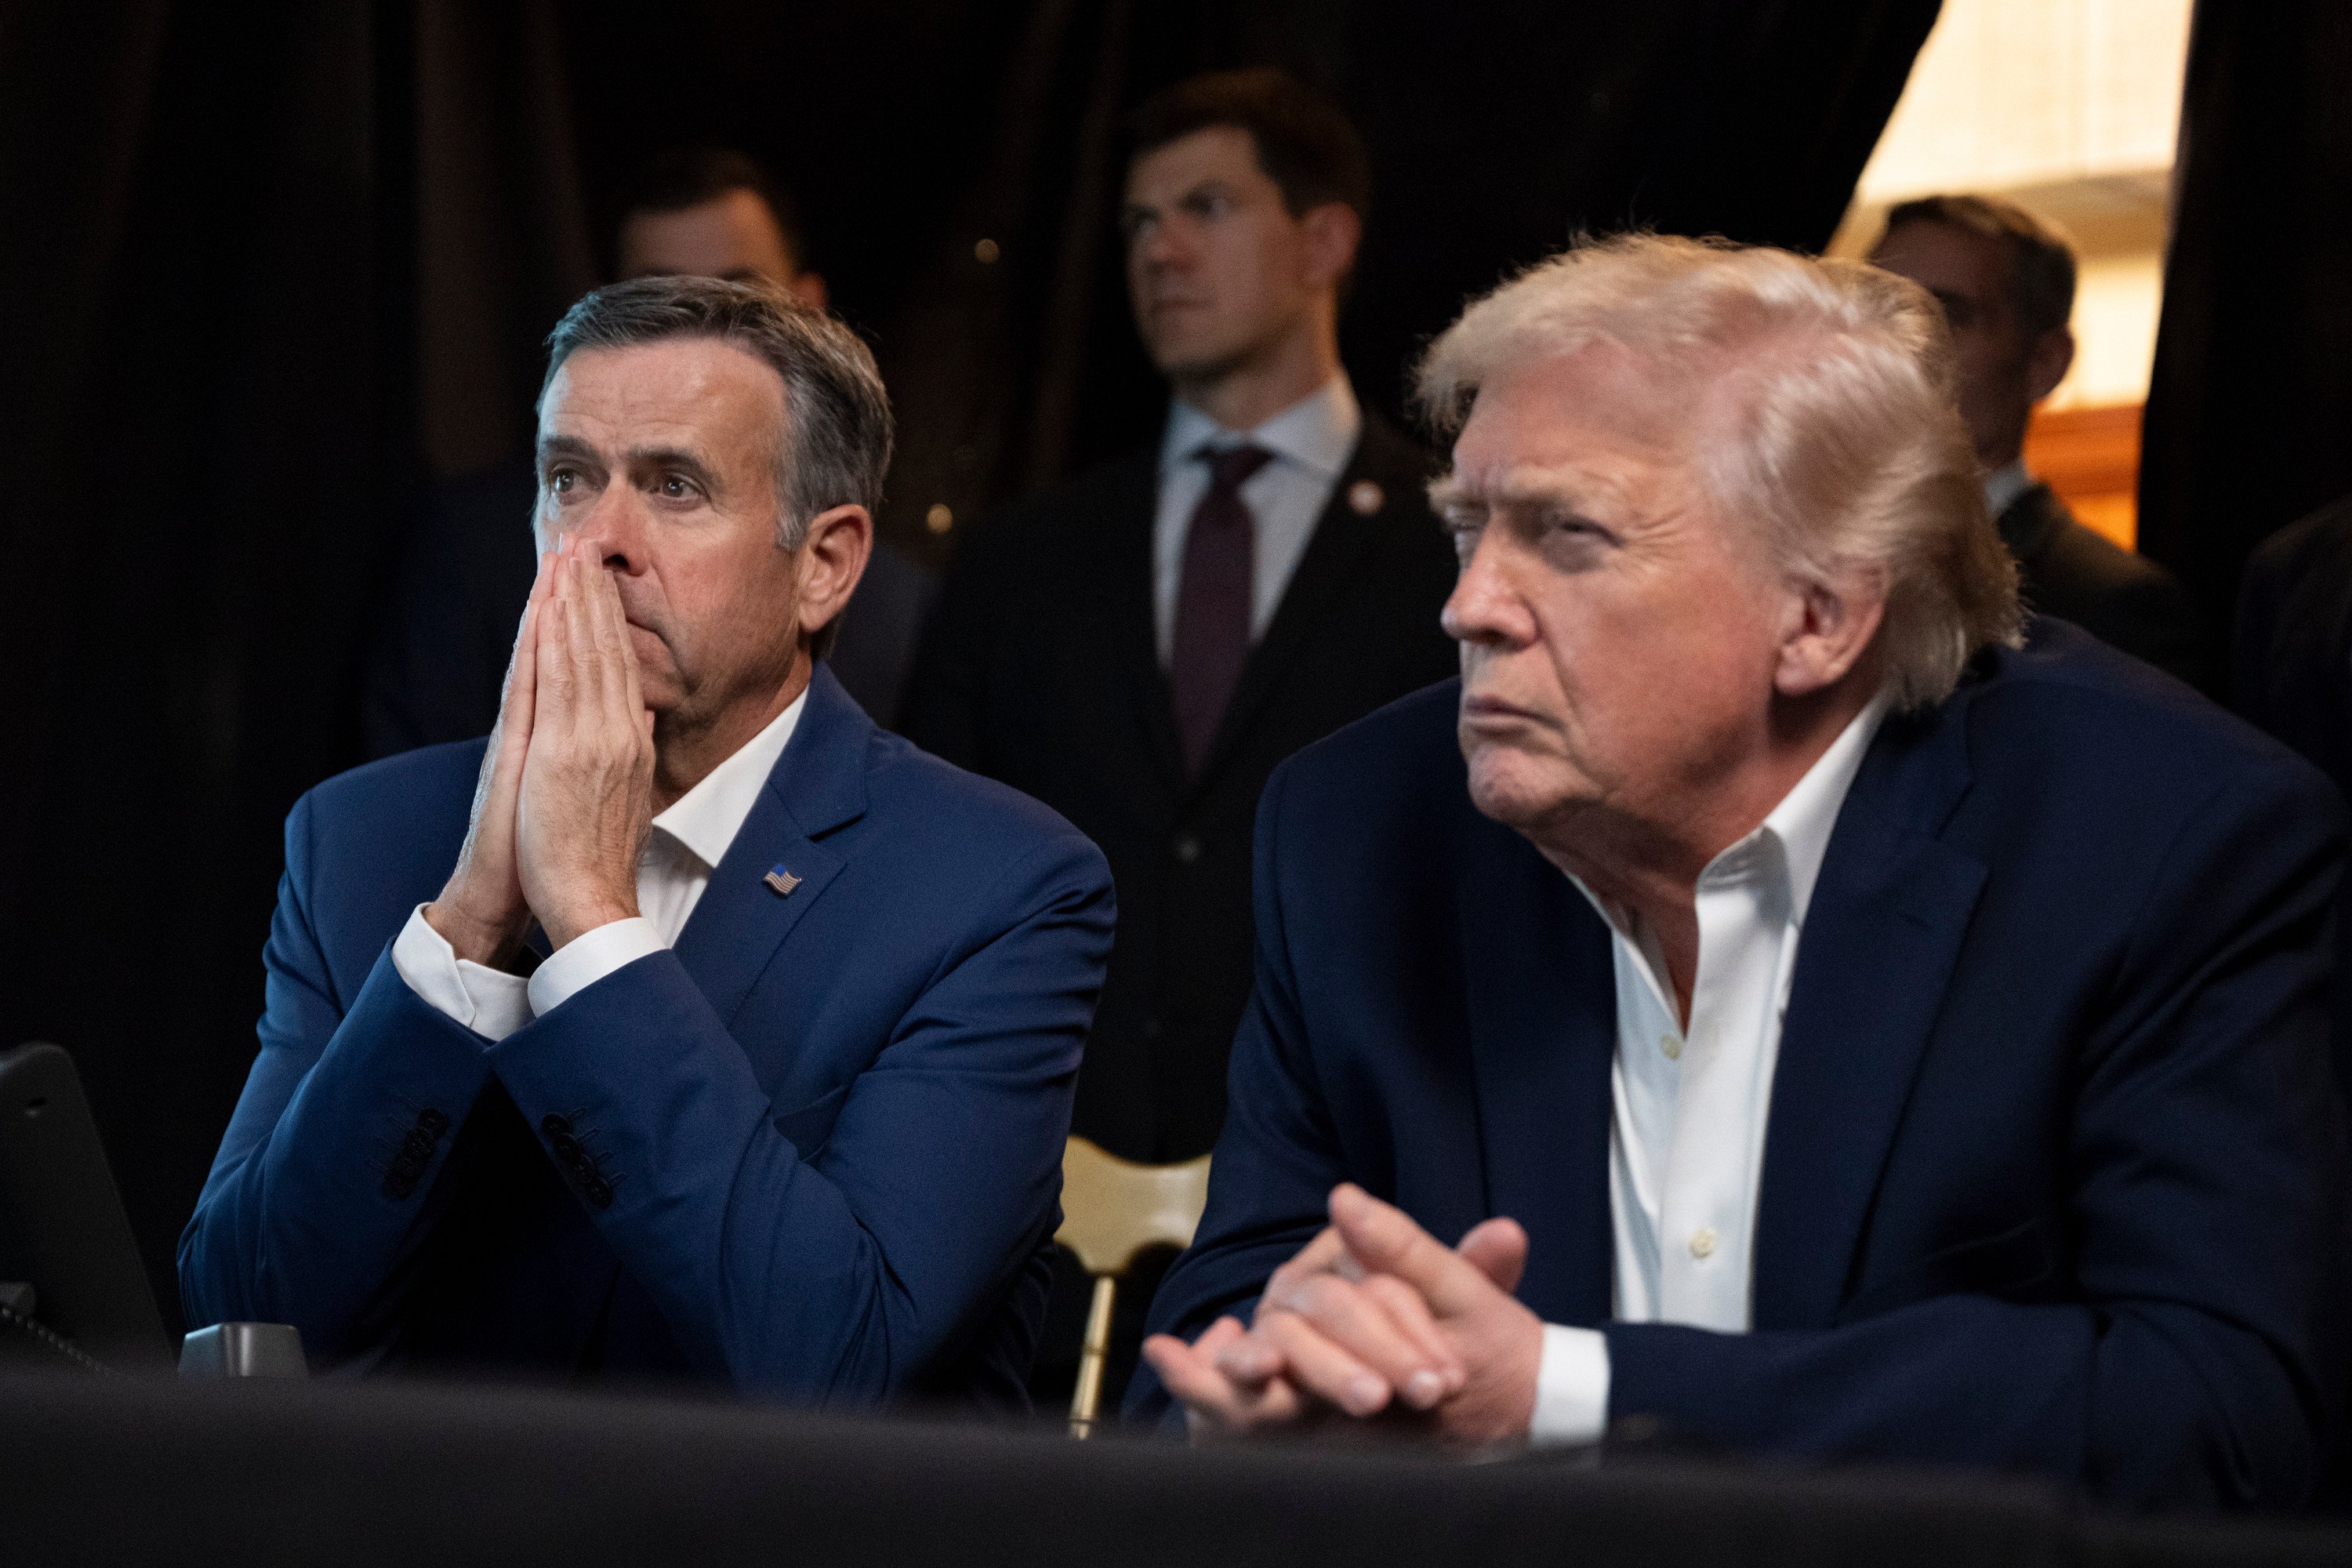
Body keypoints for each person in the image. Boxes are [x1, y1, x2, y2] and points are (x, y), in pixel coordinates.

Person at [1128, 236, 2348, 1508]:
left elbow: (2222, 1412)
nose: (1472, 605)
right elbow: (1201, 1359)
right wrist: (1287, 1386)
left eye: (1569, 534)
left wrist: (1563, 1395)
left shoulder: (2167, 838)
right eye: (1468, 529)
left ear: (1821, 614)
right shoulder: (1354, 831)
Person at [183, 278, 1114, 1404]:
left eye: (675, 487)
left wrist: (587, 917)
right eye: (569, 480)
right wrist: (471, 925)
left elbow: (834, 1359)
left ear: (825, 564)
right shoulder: (361, 838)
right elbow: (239, 1318)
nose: (600, 541)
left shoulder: (998, 887)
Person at [902, 69, 1456, 1169]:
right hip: (1032, 1198)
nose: (1160, 252)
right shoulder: (1021, 558)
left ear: (1324, 241)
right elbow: (925, 856)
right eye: (1140, 223)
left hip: (1346, 1187)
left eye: (1206, 208)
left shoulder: (1456, 547)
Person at [363, 147, 936, 753]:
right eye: (568, 480)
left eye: (740, 302)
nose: (695, 332)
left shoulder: (904, 611)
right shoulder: (464, 548)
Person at [1870, 194, 2212, 691]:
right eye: (1876, 313)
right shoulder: (1787, 566)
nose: (1898, 345)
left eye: (1947, 316)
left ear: (2045, 363)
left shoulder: (2113, 608)